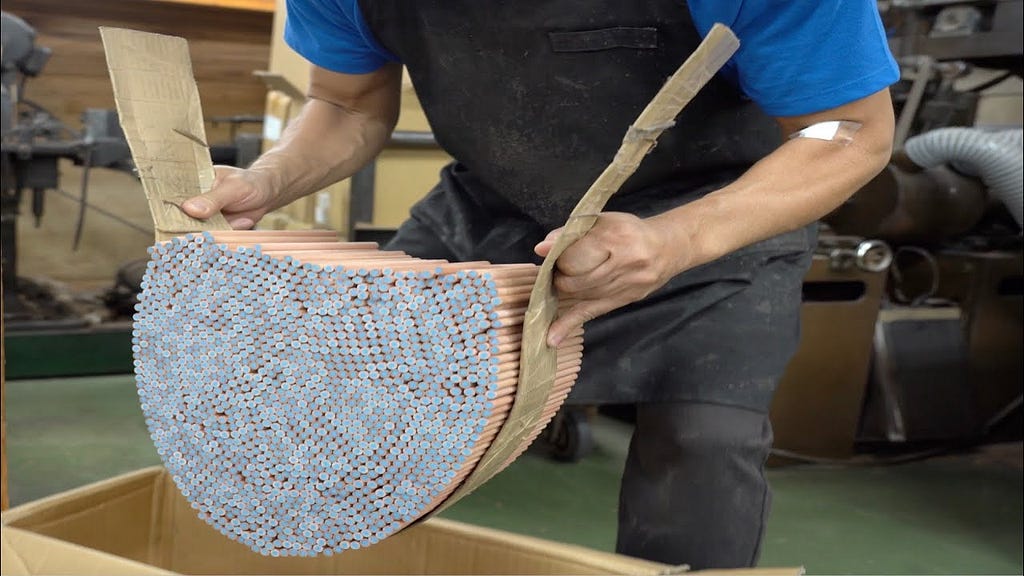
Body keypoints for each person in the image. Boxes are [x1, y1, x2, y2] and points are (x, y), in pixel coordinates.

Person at [181, 1, 898, 569]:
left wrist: (677, 239)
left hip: (711, 212)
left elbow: (852, 130)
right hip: (495, 206)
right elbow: (346, 105)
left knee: (700, 442)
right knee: (347, 387)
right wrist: (267, 179)